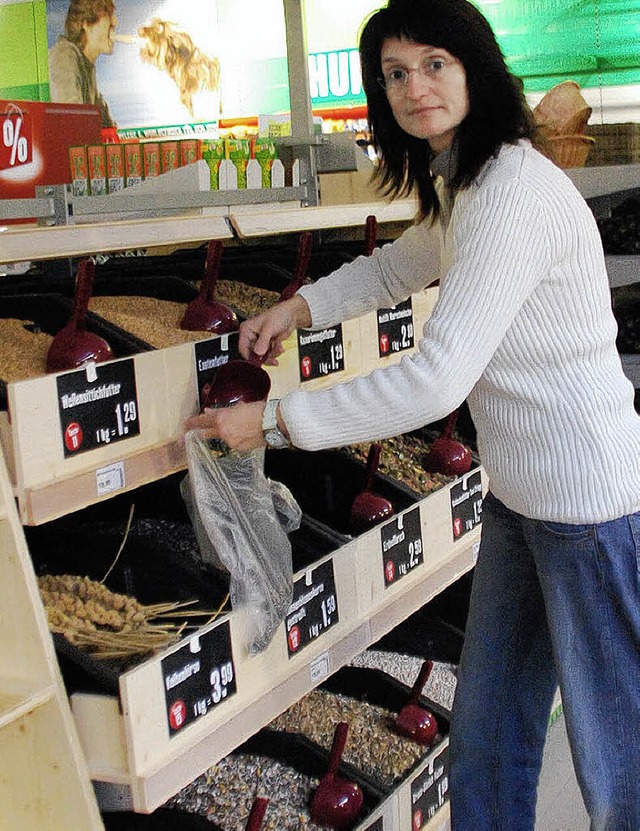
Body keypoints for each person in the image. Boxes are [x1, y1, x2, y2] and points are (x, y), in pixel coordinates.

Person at [184, 0, 640, 828]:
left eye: (434, 64)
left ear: (475, 67)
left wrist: (278, 424)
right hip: (521, 499)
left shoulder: (511, 192)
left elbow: (434, 381)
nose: (415, 87)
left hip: (592, 511)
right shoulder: (463, 179)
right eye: (395, 73)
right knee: (487, 739)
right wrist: (302, 308)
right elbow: (406, 262)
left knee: (619, 764)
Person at [48, 0, 118, 127]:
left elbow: (106, 124)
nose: (115, 22)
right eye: (108, 14)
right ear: (86, 24)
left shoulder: (87, 66)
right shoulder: (64, 55)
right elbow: (72, 121)